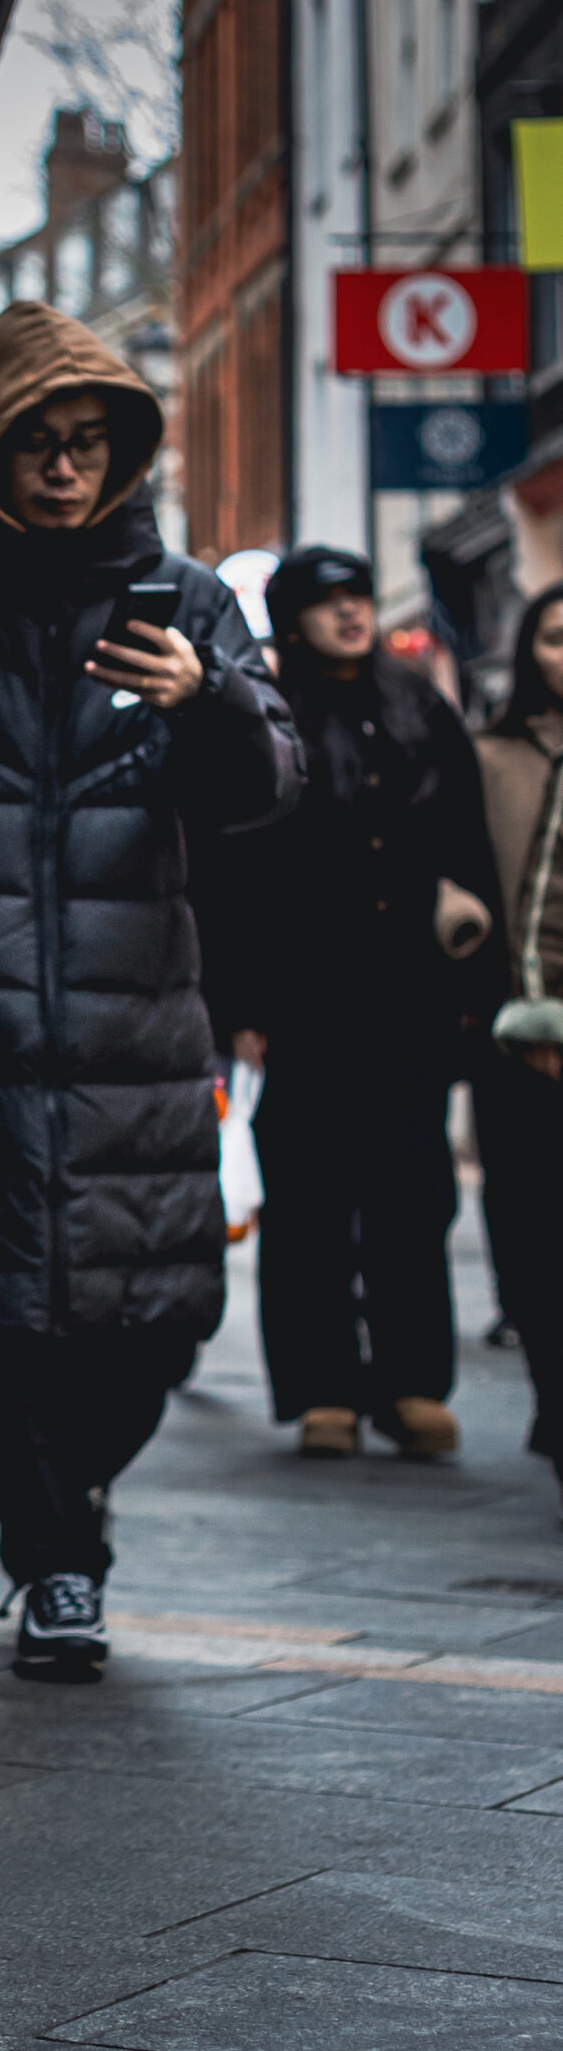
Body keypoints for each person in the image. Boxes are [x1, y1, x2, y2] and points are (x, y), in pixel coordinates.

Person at [0, 301, 301, 1681]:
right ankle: (54, 1560)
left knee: (155, 1320)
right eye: (36, 443)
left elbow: (269, 788)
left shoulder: (189, 607)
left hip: (137, 1027)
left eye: (86, 443)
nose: (64, 469)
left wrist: (207, 699)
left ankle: (71, 1497)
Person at [225, 547, 502, 1460]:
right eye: (327, 600)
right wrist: (242, 1004)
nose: (350, 613)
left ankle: (412, 1382)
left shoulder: (417, 702)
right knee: (308, 1197)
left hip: (410, 991)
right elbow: (235, 866)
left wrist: (474, 983)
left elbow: (468, 841)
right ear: (292, 617)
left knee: (412, 1193)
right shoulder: (268, 710)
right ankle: (322, 1389)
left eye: (359, 596)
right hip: (303, 995)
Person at [475, 581, 563, 1513]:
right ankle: (551, 1390)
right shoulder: (489, 756)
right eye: (556, 638)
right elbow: (454, 872)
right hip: (510, 1030)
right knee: (531, 1229)